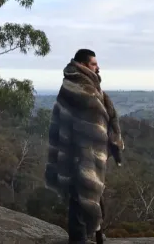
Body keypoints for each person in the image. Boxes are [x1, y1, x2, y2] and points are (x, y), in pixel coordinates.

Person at [45, 49, 125, 244]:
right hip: (78, 151)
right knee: (80, 194)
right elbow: (96, 119)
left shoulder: (89, 87)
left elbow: (105, 116)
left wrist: (112, 141)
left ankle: (93, 234)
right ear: (82, 64)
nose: (98, 67)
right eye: (93, 64)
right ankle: (79, 238)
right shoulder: (78, 88)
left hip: (88, 152)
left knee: (91, 193)